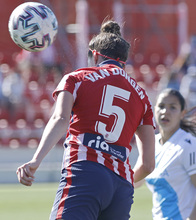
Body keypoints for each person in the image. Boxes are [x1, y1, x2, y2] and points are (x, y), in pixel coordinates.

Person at [16, 20, 155, 220]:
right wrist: (123, 182)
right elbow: (149, 164)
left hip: (85, 171)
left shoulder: (77, 78)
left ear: (95, 54)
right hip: (122, 186)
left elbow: (60, 118)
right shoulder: (142, 96)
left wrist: (35, 161)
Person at [137, 88, 196, 220]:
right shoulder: (151, 143)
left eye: (172, 107)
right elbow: (135, 181)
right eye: (161, 106)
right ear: (154, 109)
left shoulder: (188, 145)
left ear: (182, 113)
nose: (165, 112)